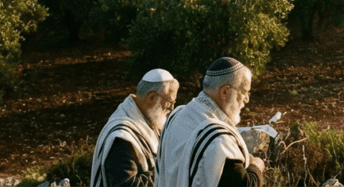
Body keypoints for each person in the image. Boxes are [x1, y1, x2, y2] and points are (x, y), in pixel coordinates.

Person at [156, 57, 265, 187]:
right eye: (244, 92)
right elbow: (243, 184)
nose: (247, 99)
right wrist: (256, 167)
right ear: (225, 91)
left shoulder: (177, 115)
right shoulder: (218, 140)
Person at [91, 68, 179, 187]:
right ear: (152, 98)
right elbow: (125, 184)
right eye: (169, 102)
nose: (171, 108)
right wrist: (168, 169)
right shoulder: (122, 138)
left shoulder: (149, 119)